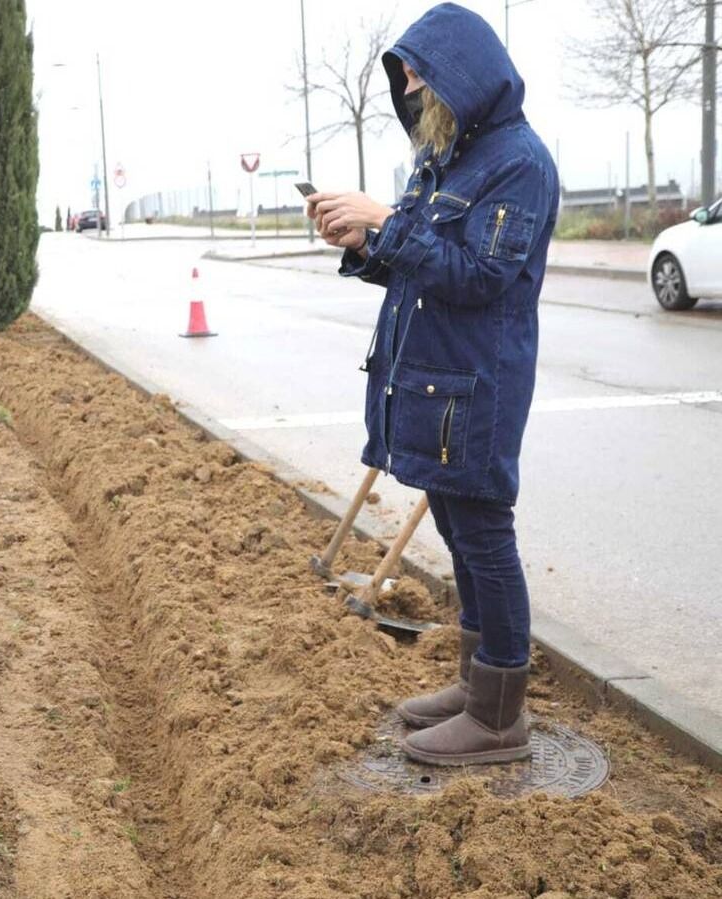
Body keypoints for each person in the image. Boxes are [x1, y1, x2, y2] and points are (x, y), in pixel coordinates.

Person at [306, 2, 558, 767]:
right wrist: (363, 241)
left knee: (483, 537)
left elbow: (480, 276)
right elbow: (415, 264)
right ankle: (475, 686)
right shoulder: (441, 157)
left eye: (420, 75)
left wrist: (387, 221)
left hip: (474, 388)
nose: (411, 91)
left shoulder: (519, 162)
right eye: (405, 78)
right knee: (456, 532)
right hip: (429, 384)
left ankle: (499, 714)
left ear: (463, 73)